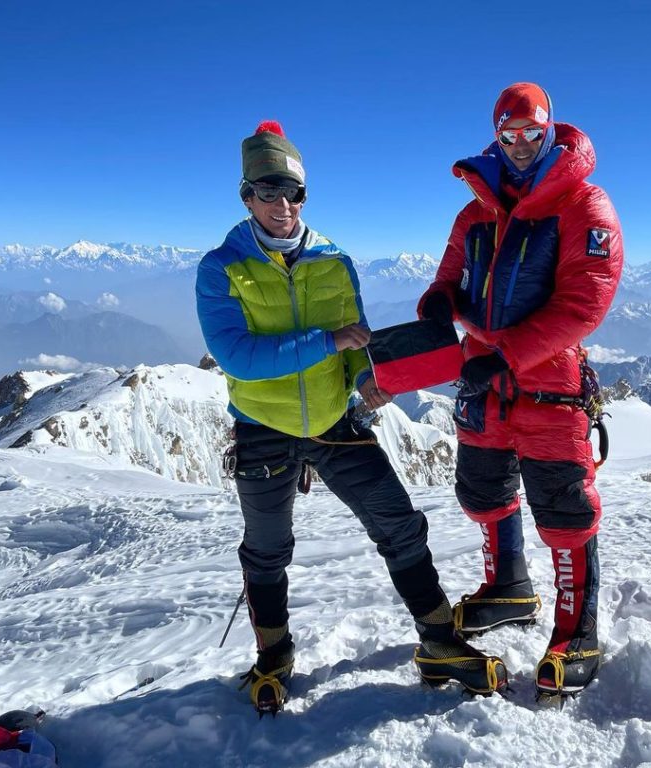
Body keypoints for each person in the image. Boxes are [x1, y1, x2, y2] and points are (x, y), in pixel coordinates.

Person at [196, 121, 507, 714]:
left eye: (293, 191)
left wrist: (367, 377)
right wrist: (327, 341)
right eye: (268, 190)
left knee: (399, 523)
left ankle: (440, 639)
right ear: (245, 194)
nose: (282, 204)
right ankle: (274, 656)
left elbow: (358, 341)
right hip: (263, 425)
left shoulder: (335, 262)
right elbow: (237, 356)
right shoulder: (221, 268)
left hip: (336, 420)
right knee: (267, 549)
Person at [417, 83, 624, 701]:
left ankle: (576, 629)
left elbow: (585, 305)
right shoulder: (475, 209)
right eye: (510, 135)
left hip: (549, 383)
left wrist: (507, 353)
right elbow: (451, 276)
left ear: (550, 131)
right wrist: (437, 302)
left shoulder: (584, 205)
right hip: (483, 377)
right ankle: (508, 586)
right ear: (496, 135)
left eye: (533, 134)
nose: (522, 147)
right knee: (482, 488)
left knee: (564, 506)